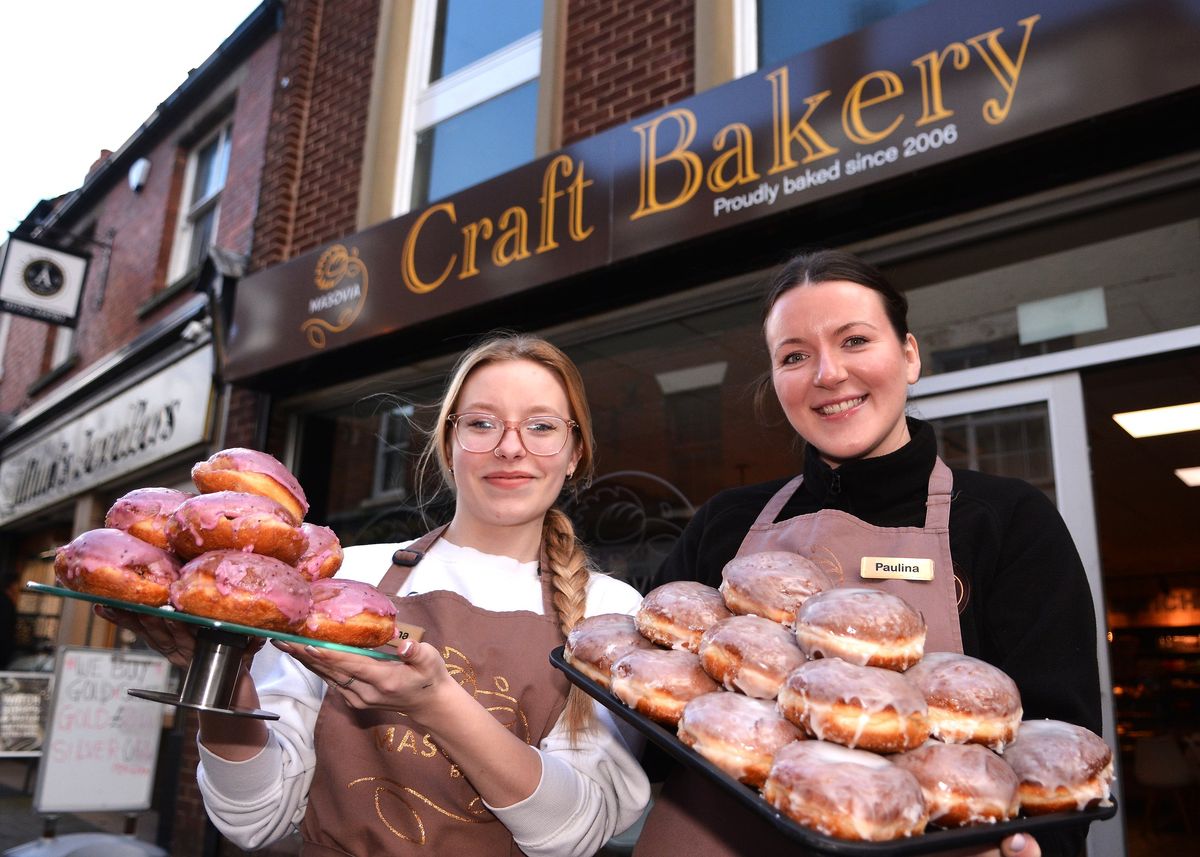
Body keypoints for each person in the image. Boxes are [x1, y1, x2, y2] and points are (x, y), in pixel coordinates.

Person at [102, 333, 650, 856]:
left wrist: (435, 702)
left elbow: (575, 833)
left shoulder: (610, 613)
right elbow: (254, 818)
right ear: (448, 444)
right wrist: (227, 682)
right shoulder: (343, 580)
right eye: (482, 423)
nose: (511, 447)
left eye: (542, 426)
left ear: (575, 452)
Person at [638, 250, 1102, 857]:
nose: (827, 374)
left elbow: (1055, 744)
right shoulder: (727, 523)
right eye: (795, 356)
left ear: (909, 355)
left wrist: (1039, 848)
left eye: (854, 340)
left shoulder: (1003, 520)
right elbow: (648, 721)